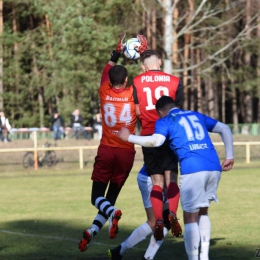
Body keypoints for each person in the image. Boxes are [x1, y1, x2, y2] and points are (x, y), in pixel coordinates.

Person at [119, 95, 234, 260]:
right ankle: (204, 256)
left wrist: (128, 138)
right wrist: (229, 156)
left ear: (160, 112)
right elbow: (225, 128)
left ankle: (194, 258)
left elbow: (156, 141)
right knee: (203, 211)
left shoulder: (165, 120)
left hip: (193, 168)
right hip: (214, 166)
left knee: (189, 216)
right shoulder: (196, 115)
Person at [78, 33, 148, 253]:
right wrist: (142, 54)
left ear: (109, 80)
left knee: (96, 198)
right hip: (126, 153)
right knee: (109, 200)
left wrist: (117, 52)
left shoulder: (104, 90)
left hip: (107, 150)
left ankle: (113, 214)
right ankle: (91, 232)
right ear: (126, 81)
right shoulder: (131, 93)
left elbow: (109, 67)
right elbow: (144, 80)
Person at [132, 49, 184, 241]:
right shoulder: (175, 81)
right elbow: (176, 110)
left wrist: (145, 124)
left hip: (148, 135)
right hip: (169, 135)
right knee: (171, 180)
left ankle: (159, 220)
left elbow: (137, 111)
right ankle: (171, 213)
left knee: (156, 182)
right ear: (160, 62)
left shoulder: (136, 81)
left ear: (144, 67)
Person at [108, 165, 171, 260]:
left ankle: (120, 251)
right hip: (152, 178)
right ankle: (143, 256)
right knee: (155, 222)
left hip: (156, 177)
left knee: (165, 220)